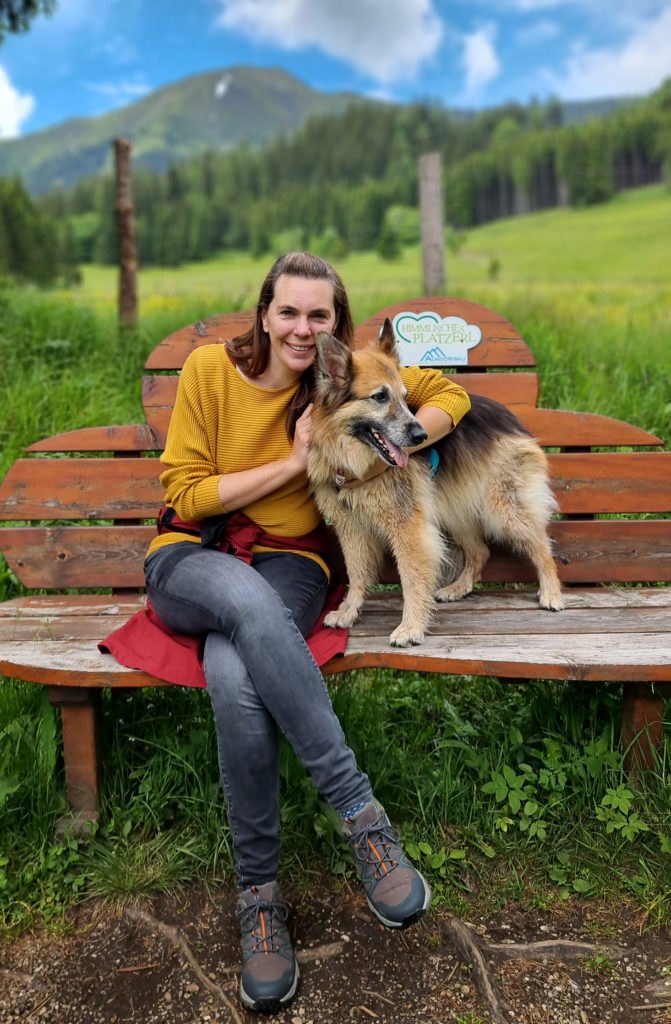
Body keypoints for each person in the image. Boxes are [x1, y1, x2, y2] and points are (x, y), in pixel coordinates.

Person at [138, 252, 471, 1013]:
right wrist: (291, 462)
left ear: (334, 328)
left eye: (318, 315)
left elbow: (444, 393)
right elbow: (186, 495)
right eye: (288, 311)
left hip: (290, 562)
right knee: (246, 609)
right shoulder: (207, 372)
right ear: (263, 312)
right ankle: (360, 815)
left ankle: (258, 898)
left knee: (233, 675)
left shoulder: (346, 373)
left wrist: (404, 442)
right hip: (191, 555)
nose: (301, 327)